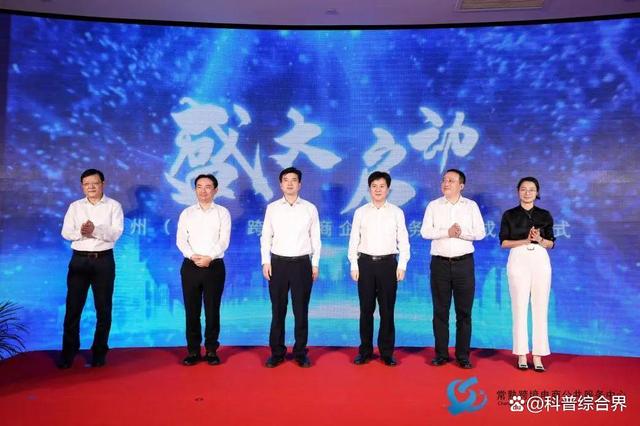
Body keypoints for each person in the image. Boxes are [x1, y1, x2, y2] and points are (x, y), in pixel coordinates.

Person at [420, 169, 485, 369]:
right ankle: (441, 354)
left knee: (464, 312)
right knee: (440, 311)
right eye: (444, 180)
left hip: (464, 264)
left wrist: (460, 233)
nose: (446, 183)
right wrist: (446, 232)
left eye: (451, 180)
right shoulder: (434, 205)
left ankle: (463, 356)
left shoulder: (471, 206)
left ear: (461, 186)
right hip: (440, 264)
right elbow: (425, 232)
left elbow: (480, 233)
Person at [59, 169, 124, 368]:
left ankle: (99, 352)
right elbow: (65, 233)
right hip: (79, 260)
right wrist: (82, 232)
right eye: (87, 184)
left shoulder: (114, 206)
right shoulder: (75, 206)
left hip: (103, 261)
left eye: (95, 183)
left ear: (103, 184)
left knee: (103, 309)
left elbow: (116, 233)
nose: (91, 187)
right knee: (73, 308)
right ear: (82, 186)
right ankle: (69, 352)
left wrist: (95, 230)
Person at [260, 167, 321, 368]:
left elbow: (316, 238)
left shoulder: (310, 208)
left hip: (302, 264)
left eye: (294, 180)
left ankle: (300, 352)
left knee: (301, 311)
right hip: (278, 264)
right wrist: (266, 261)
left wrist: (315, 263)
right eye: (285, 180)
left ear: (300, 184)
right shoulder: (272, 208)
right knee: (278, 310)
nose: (289, 183)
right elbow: (266, 236)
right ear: (280, 184)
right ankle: (277, 352)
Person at [348, 171, 410, 367]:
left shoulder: (396, 212)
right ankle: (365, 351)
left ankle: (387, 352)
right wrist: (354, 264)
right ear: (369, 189)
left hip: (388, 265)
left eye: (382, 186)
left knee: (387, 311)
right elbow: (353, 240)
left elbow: (404, 241)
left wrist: (402, 264)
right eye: (374, 186)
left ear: (388, 189)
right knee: (366, 310)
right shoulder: (360, 212)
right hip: (365, 264)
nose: (378, 190)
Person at [499, 177, 554, 372]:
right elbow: (504, 242)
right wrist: (525, 240)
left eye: (531, 189)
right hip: (518, 259)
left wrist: (539, 239)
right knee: (519, 307)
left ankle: (538, 355)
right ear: (518, 192)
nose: (527, 193)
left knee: (540, 307)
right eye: (523, 189)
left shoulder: (545, 215)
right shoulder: (509, 214)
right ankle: (521, 353)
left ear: (537, 192)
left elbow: (551, 243)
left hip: (540, 260)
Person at [176, 174, 231, 366]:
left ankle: (211, 350)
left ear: (215, 190)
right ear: (195, 190)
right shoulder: (187, 213)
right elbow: (181, 240)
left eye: (208, 187)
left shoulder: (222, 213)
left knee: (212, 310)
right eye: (199, 186)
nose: (203, 190)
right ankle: (193, 351)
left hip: (214, 266)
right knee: (192, 311)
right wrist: (193, 256)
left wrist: (209, 257)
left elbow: (224, 240)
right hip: (190, 266)